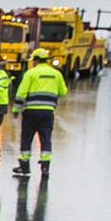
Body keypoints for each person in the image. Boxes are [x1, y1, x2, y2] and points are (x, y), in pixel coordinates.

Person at [12, 47, 68, 178]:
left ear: (36, 60)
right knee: (45, 138)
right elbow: (63, 92)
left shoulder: (31, 73)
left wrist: (16, 109)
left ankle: (24, 166)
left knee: (27, 138)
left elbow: (21, 93)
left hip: (31, 111)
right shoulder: (56, 74)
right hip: (48, 112)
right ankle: (45, 166)